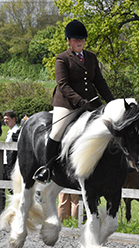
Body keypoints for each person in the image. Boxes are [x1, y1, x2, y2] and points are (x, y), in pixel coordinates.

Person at [33, 19, 114, 183]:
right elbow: (63, 85)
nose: (80, 42)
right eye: (76, 39)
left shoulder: (91, 57)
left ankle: (117, 164)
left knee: (112, 125)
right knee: (56, 132)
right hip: (67, 103)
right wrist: (78, 101)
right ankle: (47, 169)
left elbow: (99, 81)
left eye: (82, 39)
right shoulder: (62, 58)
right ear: (68, 41)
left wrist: (112, 102)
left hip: (91, 102)